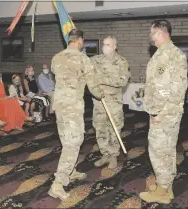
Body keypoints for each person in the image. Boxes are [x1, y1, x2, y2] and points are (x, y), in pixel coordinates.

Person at [48, 29, 104, 201]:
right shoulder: (83, 59)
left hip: (59, 105)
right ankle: (58, 184)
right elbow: (93, 87)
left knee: (66, 139)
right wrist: (101, 93)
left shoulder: (56, 57)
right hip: (72, 106)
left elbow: (56, 73)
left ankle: (71, 171)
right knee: (73, 142)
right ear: (81, 41)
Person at [140, 20, 188, 204]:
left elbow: (170, 89)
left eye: (151, 32)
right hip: (166, 112)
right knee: (167, 150)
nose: (150, 36)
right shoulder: (167, 53)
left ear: (160, 32)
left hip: (164, 113)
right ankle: (166, 187)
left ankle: (162, 191)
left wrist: (158, 113)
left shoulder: (169, 55)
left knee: (159, 150)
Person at [91, 36, 130, 169]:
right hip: (99, 101)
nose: (105, 46)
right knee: (100, 128)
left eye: (108, 44)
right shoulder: (96, 60)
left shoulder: (121, 62)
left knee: (114, 129)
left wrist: (103, 80)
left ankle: (113, 155)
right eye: (104, 44)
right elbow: (86, 69)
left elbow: (123, 81)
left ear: (114, 47)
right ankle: (105, 154)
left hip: (114, 102)